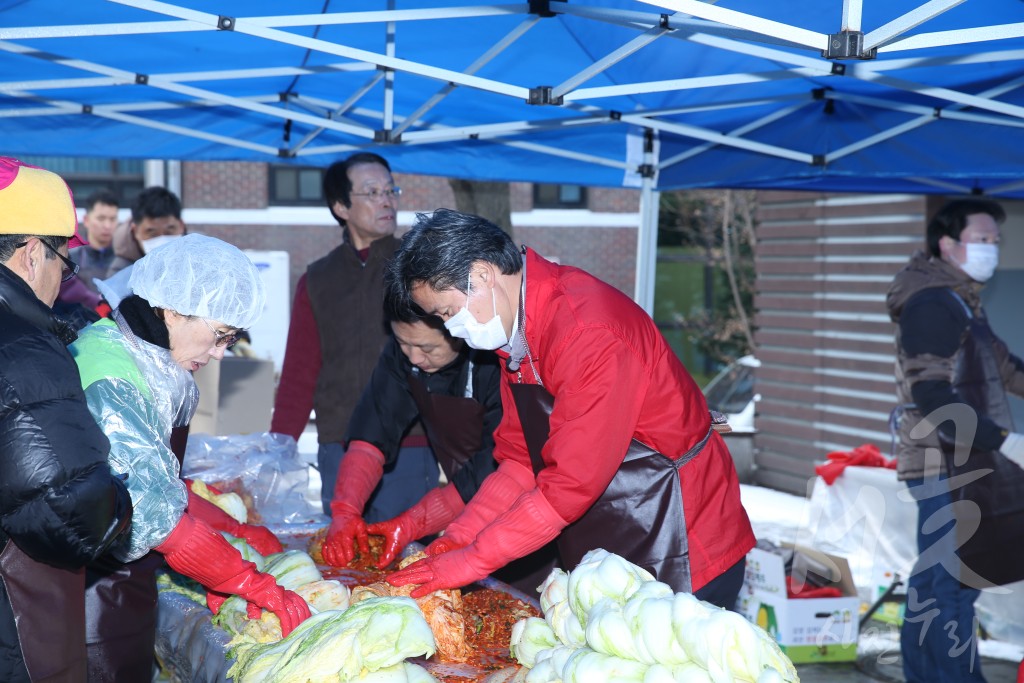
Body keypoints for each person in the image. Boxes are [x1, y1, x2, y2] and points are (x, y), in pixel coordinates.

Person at [384, 208, 755, 609]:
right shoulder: (514, 336)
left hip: (683, 538)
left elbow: (569, 485)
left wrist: (474, 559)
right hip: (615, 534)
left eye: (446, 312)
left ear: (482, 275)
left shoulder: (587, 330)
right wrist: (459, 536)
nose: (451, 329)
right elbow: (520, 462)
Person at [71, 233, 309, 680]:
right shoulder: (111, 373)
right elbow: (154, 514)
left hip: (122, 586)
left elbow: (161, 484)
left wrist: (233, 530)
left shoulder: (153, 359)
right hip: (87, 598)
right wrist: (249, 581)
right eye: (219, 336)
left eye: (231, 339)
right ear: (175, 310)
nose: (220, 353)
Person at [0, 157, 133, 682]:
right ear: (32, 253)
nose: (62, 277)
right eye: (63, 259)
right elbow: (70, 513)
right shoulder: (22, 345)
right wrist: (121, 496)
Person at [887, 198, 1023, 683]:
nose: (992, 249)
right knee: (954, 586)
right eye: (981, 240)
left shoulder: (959, 298)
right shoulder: (932, 304)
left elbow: (1004, 369)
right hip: (942, 463)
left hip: (954, 462)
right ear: (948, 244)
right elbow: (931, 394)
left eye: (995, 241)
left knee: (933, 585)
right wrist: (1003, 441)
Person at [272, 153, 437, 520]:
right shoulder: (317, 279)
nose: (387, 200)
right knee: (343, 563)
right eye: (372, 192)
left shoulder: (420, 266)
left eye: (390, 190)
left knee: (409, 563)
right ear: (340, 206)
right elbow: (299, 374)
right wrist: (278, 448)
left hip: (409, 445)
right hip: (338, 445)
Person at [321, 299, 505, 566]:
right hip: (466, 493)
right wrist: (345, 509)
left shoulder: (495, 360)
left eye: (426, 348)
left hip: (521, 495)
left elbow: (497, 460)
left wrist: (415, 522)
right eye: (403, 343)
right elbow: (375, 427)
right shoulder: (403, 353)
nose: (414, 358)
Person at [53, 189, 121, 327]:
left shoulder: (125, 261)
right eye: (101, 218)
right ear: (87, 220)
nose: (107, 225)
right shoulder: (69, 258)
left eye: (112, 219)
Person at [105, 185, 186, 277]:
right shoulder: (121, 272)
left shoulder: (198, 259)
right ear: (135, 231)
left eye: (169, 232)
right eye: (153, 234)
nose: (162, 243)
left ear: (181, 226)